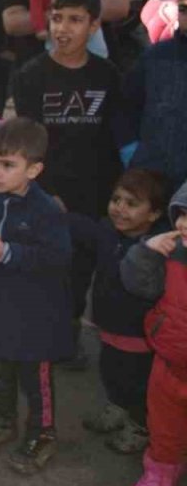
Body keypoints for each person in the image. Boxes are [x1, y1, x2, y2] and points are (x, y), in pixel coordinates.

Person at [11, 0, 128, 369]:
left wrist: (111, 197)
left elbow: (113, 139)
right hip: (47, 195)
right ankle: (38, 337)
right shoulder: (31, 75)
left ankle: (69, 338)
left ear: (93, 26)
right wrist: (44, 191)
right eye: (57, 18)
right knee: (42, 272)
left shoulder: (108, 76)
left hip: (93, 196)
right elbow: (27, 142)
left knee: (79, 273)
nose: (63, 28)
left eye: (75, 20)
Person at [0, 118, 71, 475]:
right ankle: (3, 420)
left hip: (36, 315)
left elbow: (57, 258)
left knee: (34, 378)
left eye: (8, 165)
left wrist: (9, 252)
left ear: (34, 169)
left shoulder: (47, 211)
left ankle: (43, 433)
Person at [82, 169, 169, 456]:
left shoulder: (156, 249)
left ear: (154, 214)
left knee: (136, 383)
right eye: (116, 199)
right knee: (110, 372)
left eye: (132, 204)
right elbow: (82, 234)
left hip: (138, 334)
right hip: (107, 324)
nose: (120, 208)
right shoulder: (107, 229)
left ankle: (139, 425)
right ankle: (117, 407)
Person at [119, 180, 187, 485]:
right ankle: (160, 472)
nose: (183, 223)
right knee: (164, 428)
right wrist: (146, 252)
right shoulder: (172, 253)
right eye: (182, 213)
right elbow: (138, 284)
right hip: (168, 366)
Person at [126, 0, 187, 192]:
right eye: (183, 8)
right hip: (153, 178)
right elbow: (126, 106)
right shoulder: (155, 56)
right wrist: (132, 153)